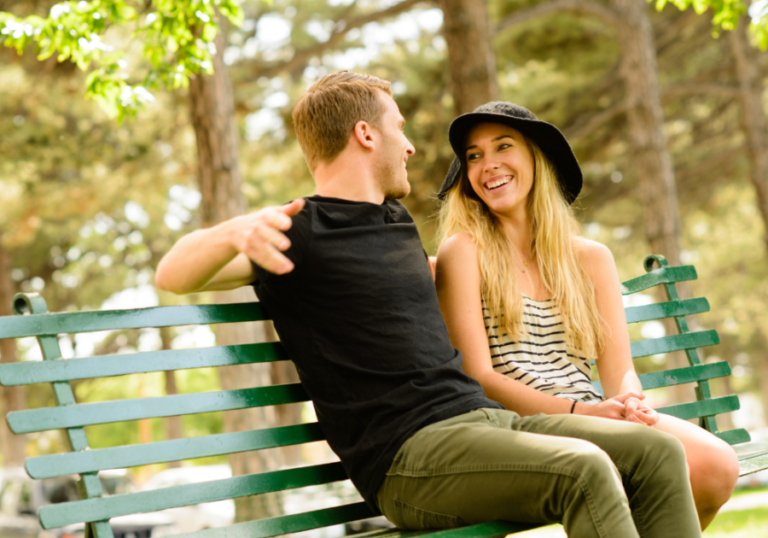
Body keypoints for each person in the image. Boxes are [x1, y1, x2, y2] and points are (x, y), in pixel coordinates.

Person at [156, 71, 702, 537]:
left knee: (654, 451)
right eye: (399, 126)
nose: (411, 145)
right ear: (366, 134)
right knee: (584, 469)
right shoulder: (294, 231)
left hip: (483, 425)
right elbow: (173, 273)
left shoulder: (395, 224)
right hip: (410, 459)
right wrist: (236, 231)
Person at [434, 101, 739, 530]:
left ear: (537, 158)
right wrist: (581, 411)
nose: (489, 165)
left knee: (717, 464)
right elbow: (480, 376)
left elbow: (619, 371)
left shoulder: (591, 258)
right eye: (474, 156)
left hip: (591, 411)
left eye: (504, 147)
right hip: (519, 424)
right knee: (646, 466)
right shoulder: (464, 251)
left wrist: (629, 401)